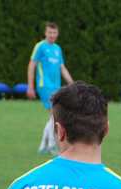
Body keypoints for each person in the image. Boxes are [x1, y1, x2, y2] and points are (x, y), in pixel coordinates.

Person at [26, 21, 74, 155]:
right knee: (56, 114)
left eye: (54, 32)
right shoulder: (40, 47)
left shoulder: (57, 49)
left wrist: (72, 83)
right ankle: (52, 146)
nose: (52, 35)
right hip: (44, 85)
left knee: (54, 116)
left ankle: (43, 146)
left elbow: (62, 67)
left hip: (56, 86)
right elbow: (32, 65)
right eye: (49, 32)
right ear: (45, 33)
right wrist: (30, 86)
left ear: (57, 34)